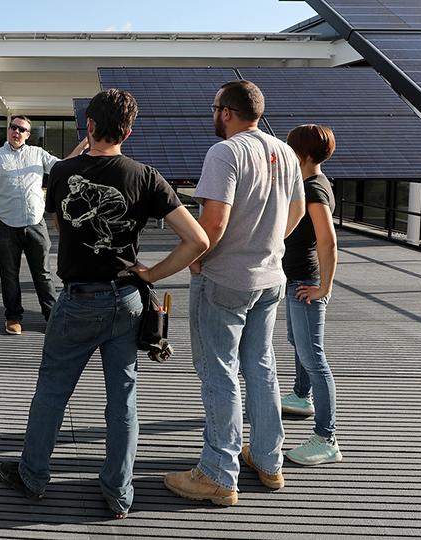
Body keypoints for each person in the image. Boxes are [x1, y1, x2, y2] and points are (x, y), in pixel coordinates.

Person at [0, 89, 209, 519]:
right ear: (128, 131)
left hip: (78, 301)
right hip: (128, 301)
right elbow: (198, 240)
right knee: (123, 399)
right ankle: (117, 492)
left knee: (53, 391)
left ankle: (33, 475)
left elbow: (58, 223)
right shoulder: (146, 176)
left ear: (88, 126)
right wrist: (151, 274)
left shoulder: (62, 172)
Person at [164, 80, 305, 506]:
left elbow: (215, 222)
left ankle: (217, 475)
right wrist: (266, 245)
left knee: (218, 372)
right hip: (270, 278)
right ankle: (268, 461)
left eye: (214, 108)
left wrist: (193, 257)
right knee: (261, 368)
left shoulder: (224, 152)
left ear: (226, 112)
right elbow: (296, 210)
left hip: (225, 279)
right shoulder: (285, 153)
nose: (212, 115)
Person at [0, 118, 88, 335]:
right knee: (9, 274)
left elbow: (62, 167)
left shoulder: (38, 153)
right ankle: (13, 317)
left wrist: (83, 146)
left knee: (43, 273)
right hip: (6, 224)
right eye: (13, 127)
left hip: (35, 223)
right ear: (9, 131)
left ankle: (51, 315)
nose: (16, 131)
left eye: (22, 129)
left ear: (28, 134)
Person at [280, 124, 342, 466]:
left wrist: (324, 288)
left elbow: (329, 241)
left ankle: (327, 438)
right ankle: (302, 396)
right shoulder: (312, 183)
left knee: (314, 358)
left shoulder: (315, 189)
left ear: (301, 154)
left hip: (306, 283)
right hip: (298, 281)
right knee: (298, 343)